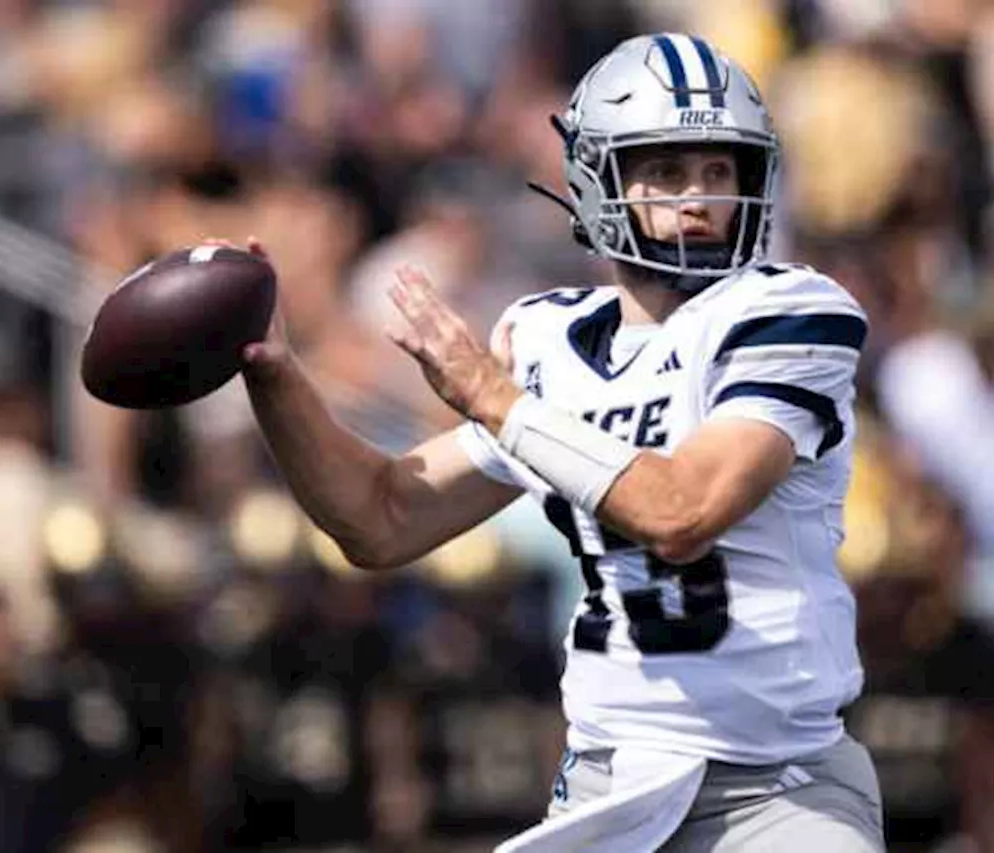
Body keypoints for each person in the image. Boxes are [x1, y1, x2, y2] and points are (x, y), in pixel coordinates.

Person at [237, 32, 882, 852]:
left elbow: (685, 509)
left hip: (777, 788)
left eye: (719, 171)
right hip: (609, 780)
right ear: (598, 178)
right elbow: (380, 516)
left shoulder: (786, 313)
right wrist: (274, 374)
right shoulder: (548, 341)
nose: (698, 197)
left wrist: (497, 400)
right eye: (668, 170)